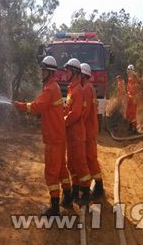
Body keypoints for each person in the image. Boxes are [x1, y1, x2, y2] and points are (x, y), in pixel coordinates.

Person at [13, 56, 66, 216]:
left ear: (50, 72)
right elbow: (44, 108)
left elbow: (37, 106)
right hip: (58, 135)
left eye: (43, 70)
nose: (41, 73)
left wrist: (19, 106)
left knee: (51, 171)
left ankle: (55, 207)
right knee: (61, 168)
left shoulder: (50, 89)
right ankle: (68, 196)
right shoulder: (53, 87)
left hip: (53, 137)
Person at [62, 58, 91, 205]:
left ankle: (86, 192)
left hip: (77, 134)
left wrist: (63, 121)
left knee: (80, 163)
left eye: (67, 70)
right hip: (70, 133)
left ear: (74, 72)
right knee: (71, 164)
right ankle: (75, 189)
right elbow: (69, 109)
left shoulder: (78, 90)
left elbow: (76, 113)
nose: (65, 73)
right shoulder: (71, 89)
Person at [81, 63, 104, 197]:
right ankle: (96, 184)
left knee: (90, 158)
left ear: (83, 75)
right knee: (90, 157)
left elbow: (84, 112)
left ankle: (99, 185)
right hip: (91, 128)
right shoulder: (90, 88)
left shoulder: (86, 89)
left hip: (88, 129)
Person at [126, 64, 138, 133]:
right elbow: (128, 89)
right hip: (130, 100)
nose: (128, 73)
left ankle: (134, 128)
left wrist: (131, 96)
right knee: (128, 113)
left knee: (133, 113)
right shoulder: (129, 79)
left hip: (133, 100)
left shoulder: (134, 79)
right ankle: (130, 126)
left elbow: (135, 90)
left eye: (129, 72)